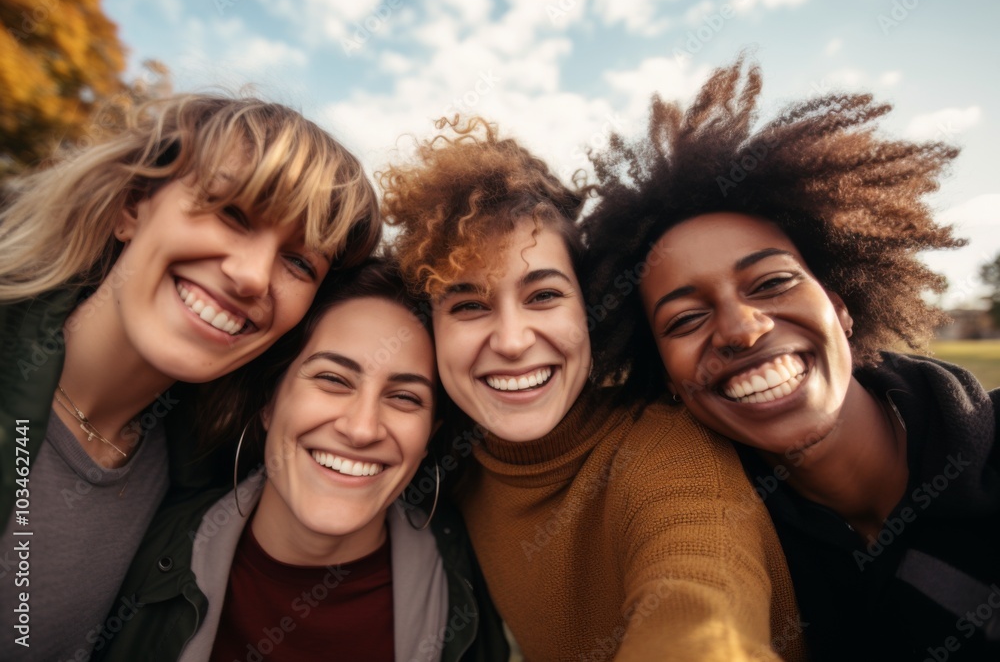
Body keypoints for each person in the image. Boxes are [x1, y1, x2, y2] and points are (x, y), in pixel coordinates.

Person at [583, 58, 1000, 661]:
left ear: (839, 304)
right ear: (665, 378)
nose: (740, 329)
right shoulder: (735, 534)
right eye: (685, 320)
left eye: (771, 283)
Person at [380, 116, 807, 661]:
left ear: (592, 310)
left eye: (543, 296)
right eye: (468, 306)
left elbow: (701, 590)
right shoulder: (448, 462)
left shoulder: (664, 448)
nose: (512, 342)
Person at [0, 93, 382, 660]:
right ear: (132, 207)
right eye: (231, 212)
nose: (252, 276)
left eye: (300, 262)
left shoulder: (204, 469)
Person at [92, 260, 509, 662]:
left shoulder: (468, 587)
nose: (362, 429)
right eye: (332, 379)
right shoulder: (137, 556)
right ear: (269, 401)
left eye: (404, 397)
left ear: (428, 438)